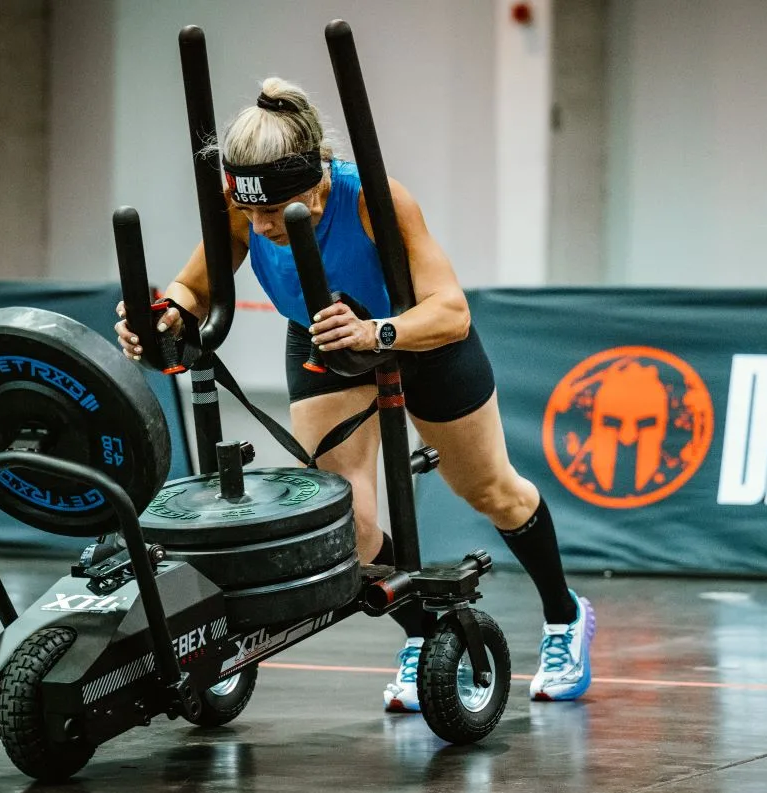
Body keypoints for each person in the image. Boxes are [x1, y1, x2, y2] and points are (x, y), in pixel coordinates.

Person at [115, 78, 594, 710]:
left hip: (417, 340)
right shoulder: (244, 208)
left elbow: (451, 310)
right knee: (349, 524)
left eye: (275, 213)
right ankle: (426, 632)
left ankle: (565, 616)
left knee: (489, 489)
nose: (259, 226)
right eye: (250, 212)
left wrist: (378, 331)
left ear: (317, 182)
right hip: (322, 342)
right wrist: (166, 315)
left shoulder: (375, 200)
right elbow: (193, 287)